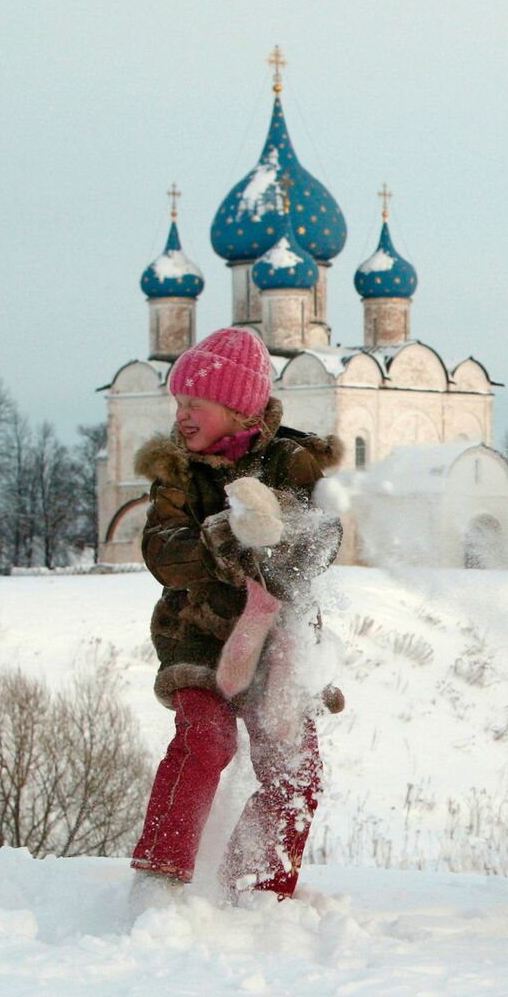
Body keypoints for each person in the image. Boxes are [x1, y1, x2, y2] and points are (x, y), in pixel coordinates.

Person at [128, 327, 344, 907]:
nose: (183, 416)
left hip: (277, 644)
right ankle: (160, 880)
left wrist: (277, 538)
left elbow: (325, 540)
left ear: (235, 406)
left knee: (294, 770)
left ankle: (258, 892)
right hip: (197, 636)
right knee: (207, 740)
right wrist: (227, 537)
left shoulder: (293, 461)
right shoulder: (175, 472)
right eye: (178, 404)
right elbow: (163, 552)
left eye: (194, 403)